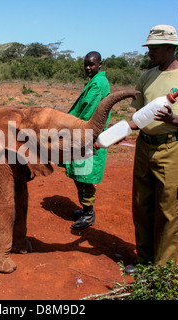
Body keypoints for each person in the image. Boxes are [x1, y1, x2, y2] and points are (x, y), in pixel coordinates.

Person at [126, 25, 178, 273]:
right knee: (142, 206)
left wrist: (173, 120)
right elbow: (138, 117)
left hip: (172, 148)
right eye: (149, 47)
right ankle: (143, 261)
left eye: (155, 47)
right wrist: (117, 131)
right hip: (144, 147)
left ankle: (161, 271)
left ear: (171, 47)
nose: (150, 51)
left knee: (168, 210)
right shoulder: (146, 76)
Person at [61, 51, 111, 230]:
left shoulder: (99, 84)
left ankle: (88, 214)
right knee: (80, 173)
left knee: (85, 174)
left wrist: (69, 125)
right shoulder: (95, 81)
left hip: (88, 134)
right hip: (83, 133)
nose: (88, 68)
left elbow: (88, 110)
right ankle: (85, 209)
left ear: (100, 65)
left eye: (91, 64)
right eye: (86, 64)